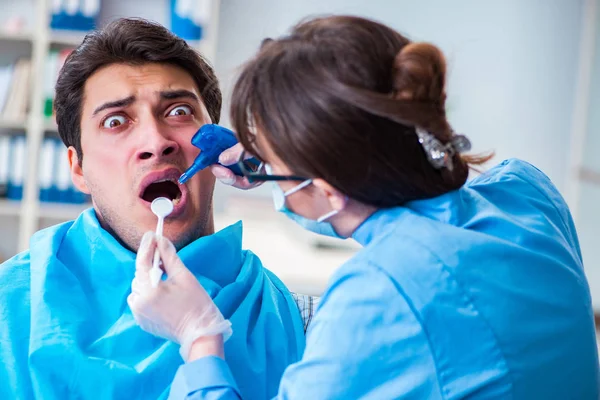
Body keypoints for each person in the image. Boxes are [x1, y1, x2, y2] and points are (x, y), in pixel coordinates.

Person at [128, 15, 600, 399]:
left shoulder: (375, 298)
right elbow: (407, 216)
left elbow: (406, 258)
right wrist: (266, 167)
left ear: (328, 188)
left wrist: (198, 336)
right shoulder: (526, 190)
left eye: (273, 163)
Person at [0, 18, 315, 400]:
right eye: (116, 121)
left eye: (179, 112)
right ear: (78, 169)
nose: (156, 141)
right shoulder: (11, 310)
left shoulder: (303, 325)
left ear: (219, 144)